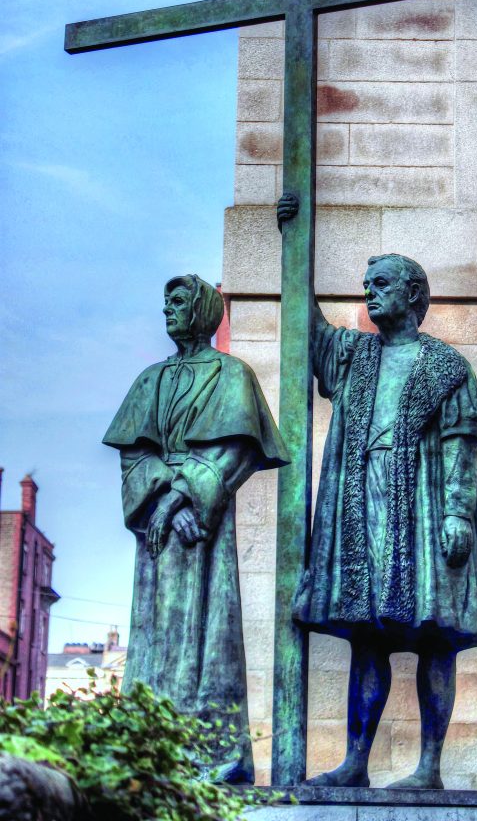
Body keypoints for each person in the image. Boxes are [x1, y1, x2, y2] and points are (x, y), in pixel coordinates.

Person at [278, 194, 477, 790]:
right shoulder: (352, 355)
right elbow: (306, 324)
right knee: (367, 638)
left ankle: (428, 768)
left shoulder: (446, 366)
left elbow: (460, 446)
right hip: (363, 508)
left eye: (380, 284)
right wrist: (291, 240)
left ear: (413, 295)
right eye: (366, 285)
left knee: (438, 638)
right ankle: (356, 762)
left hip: (425, 513)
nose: (370, 294)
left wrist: (457, 514)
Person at [103, 274, 289, 784]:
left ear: (204, 310)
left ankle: (211, 754)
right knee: (154, 637)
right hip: (160, 538)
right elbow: (133, 455)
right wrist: (165, 500)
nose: (168, 309)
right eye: (165, 301)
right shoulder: (149, 380)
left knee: (210, 635)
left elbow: (240, 449)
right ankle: (149, 747)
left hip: (202, 532)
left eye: (179, 300)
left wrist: (187, 496)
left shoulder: (233, 375)